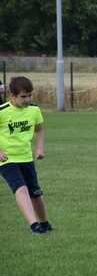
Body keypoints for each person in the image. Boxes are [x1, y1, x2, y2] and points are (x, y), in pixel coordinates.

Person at [0, 76, 52, 234]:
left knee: (35, 193)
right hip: (7, 160)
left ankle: (44, 223)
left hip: (26, 158)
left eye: (30, 95)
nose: (28, 99)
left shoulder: (34, 110)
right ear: (12, 96)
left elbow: (39, 129)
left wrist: (39, 148)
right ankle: (34, 225)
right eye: (23, 96)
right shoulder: (2, 111)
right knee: (21, 189)